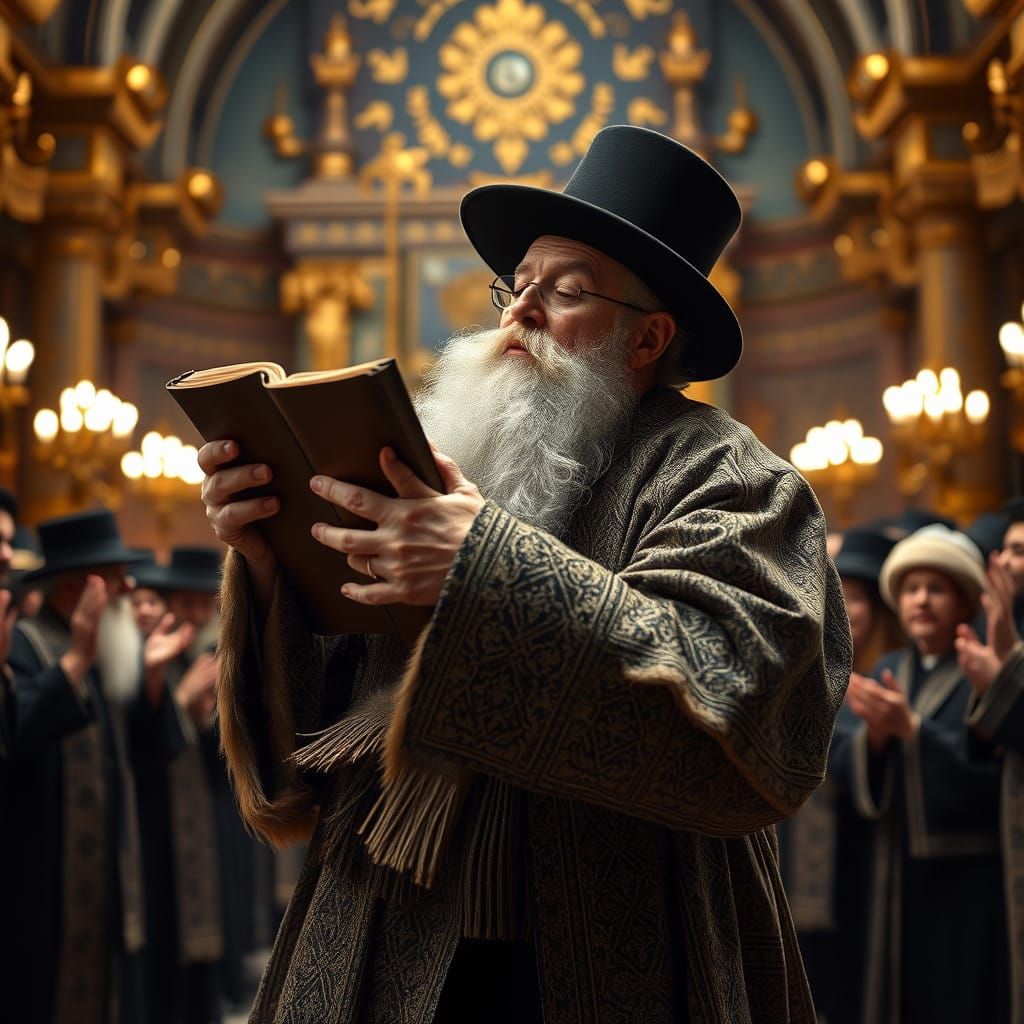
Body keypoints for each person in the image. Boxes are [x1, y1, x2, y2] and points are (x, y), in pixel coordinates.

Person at [198, 125, 851, 1022]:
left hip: (621, 948)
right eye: (519, 286)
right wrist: (272, 570)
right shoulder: (450, 458)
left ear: (649, 337)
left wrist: (484, 567)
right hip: (378, 939)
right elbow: (328, 735)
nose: (522, 313)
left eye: (569, 291)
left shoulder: (733, 481)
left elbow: (740, 702)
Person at [0, 509, 189, 1024]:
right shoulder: (26, 644)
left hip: (105, 873)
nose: (129, 586)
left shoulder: (103, 651)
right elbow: (14, 738)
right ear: (80, 587)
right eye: (113, 576)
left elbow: (140, 756)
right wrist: (76, 660)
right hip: (41, 882)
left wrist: (151, 682)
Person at [830, 524, 1008, 1023]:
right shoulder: (889, 668)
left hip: (965, 884)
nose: (921, 600)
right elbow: (846, 767)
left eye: (936, 588)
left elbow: (993, 780)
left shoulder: (981, 670)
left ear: (964, 602)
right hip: (891, 873)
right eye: (911, 589)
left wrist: (912, 729)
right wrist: (878, 740)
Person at [781, 525, 901, 1024]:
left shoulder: (890, 676)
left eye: (858, 598)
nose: (848, 609)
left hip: (859, 859)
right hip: (796, 854)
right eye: (839, 596)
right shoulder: (805, 673)